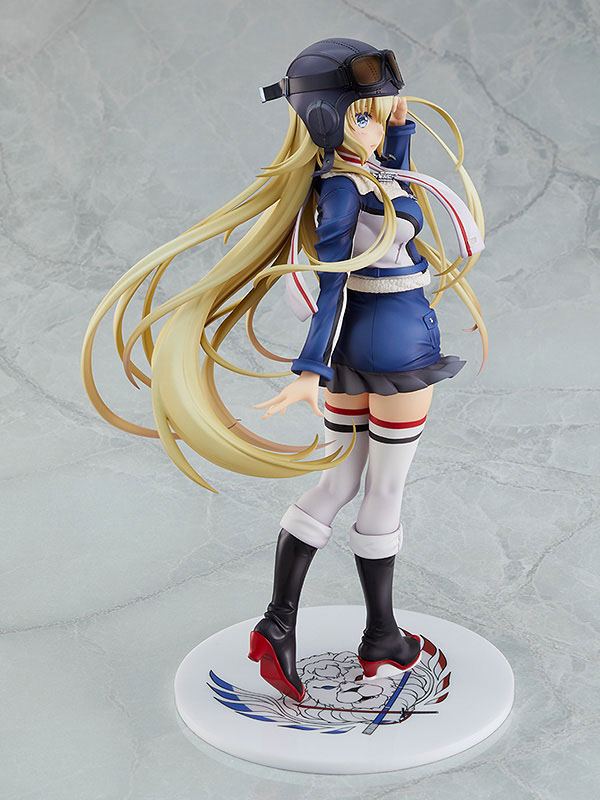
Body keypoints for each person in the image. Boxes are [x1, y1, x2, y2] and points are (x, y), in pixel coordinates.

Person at [81, 38, 486, 703]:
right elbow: (332, 281)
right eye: (362, 115)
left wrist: (399, 129)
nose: (375, 124)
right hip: (396, 349)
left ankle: (278, 624)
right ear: (326, 120)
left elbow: (394, 187)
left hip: (361, 349)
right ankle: (381, 638)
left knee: (339, 480)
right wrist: (308, 367)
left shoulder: (356, 177)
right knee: (384, 489)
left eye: (378, 111)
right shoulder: (343, 190)